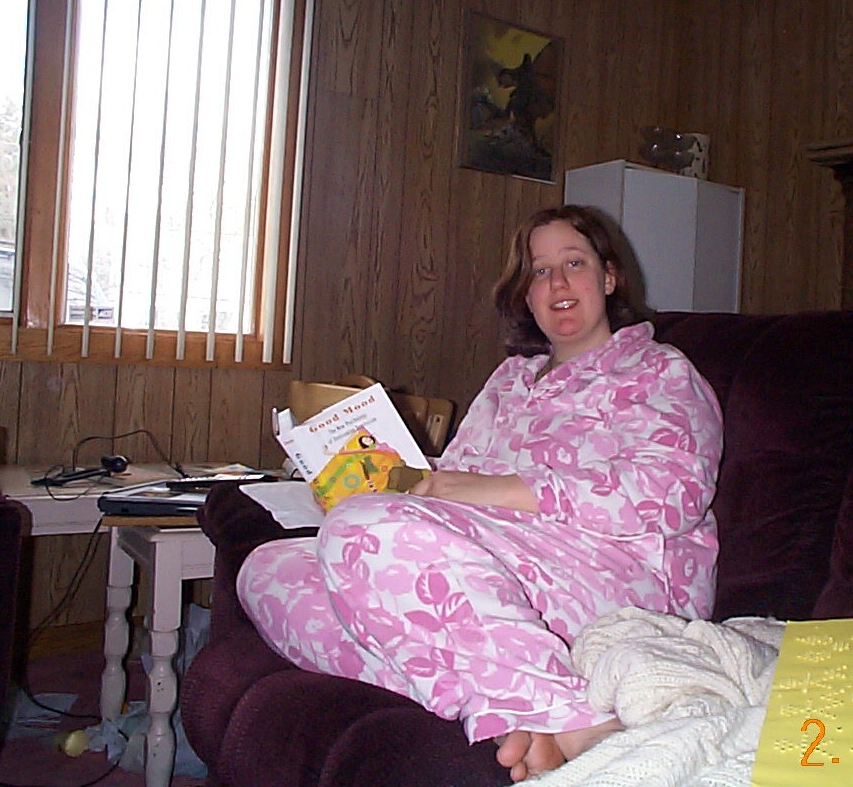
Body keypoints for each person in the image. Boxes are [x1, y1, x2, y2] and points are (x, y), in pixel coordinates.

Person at [236, 205, 724, 781]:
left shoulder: (658, 371)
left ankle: (576, 721)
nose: (558, 283)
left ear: (610, 277)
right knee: (268, 571)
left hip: (617, 576)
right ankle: (513, 707)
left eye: (574, 263)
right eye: (539, 271)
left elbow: (673, 492)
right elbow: (459, 475)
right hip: (493, 564)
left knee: (360, 532)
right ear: (526, 293)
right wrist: (383, 477)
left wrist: (482, 491)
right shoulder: (510, 381)